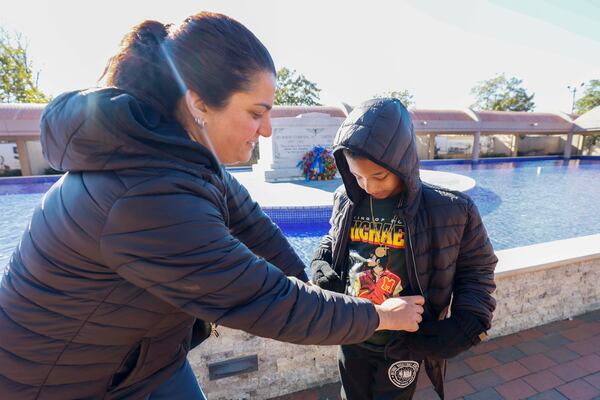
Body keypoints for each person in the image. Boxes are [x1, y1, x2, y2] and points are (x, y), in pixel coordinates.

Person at [0, 14, 424, 400]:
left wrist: (320, 289)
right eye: (256, 113)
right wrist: (378, 315)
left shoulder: (179, 155)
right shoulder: (147, 197)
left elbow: (255, 228)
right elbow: (269, 301)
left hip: (138, 356)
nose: (268, 129)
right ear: (199, 103)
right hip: (58, 380)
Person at [311, 98, 497, 399]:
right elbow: (334, 239)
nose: (368, 186)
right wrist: (321, 259)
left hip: (404, 345)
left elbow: (477, 270)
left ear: (402, 161)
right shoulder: (346, 199)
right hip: (353, 332)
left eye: (379, 176)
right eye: (357, 176)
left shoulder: (452, 209)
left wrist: (470, 319)